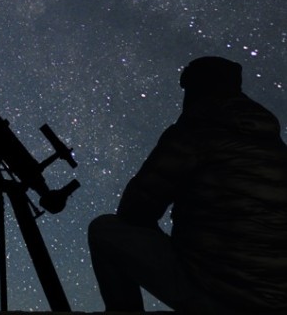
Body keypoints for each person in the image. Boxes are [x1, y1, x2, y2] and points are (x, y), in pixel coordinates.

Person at [88, 56, 287, 313]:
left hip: (220, 297)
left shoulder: (193, 133)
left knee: (106, 230)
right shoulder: (275, 147)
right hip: (278, 300)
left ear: (195, 88)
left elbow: (135, 210)